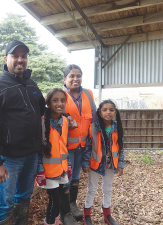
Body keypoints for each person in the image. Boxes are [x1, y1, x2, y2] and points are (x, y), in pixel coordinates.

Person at [0, 40, 45, 225]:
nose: (20, 60)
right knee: (5, 202)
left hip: (31, 155)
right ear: (6, 58)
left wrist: (65, 118)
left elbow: (42, 112)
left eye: (23, 56)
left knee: (24, 197)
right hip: (10, 158)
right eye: (15, 56)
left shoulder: (32, 85)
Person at [36, 88, 78, 225]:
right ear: (48, 103)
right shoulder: (41, 122)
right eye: (55, 100)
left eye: (62, 101)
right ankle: (50, 222)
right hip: (48, 172)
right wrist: (39, 170)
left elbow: (64, 146)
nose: (59, 104)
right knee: (54, 202)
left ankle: (54, 221)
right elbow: (37, 150)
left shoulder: (65, 121)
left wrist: (69, 164)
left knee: (59, 200)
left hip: (62, 169)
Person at [62, 64, 97, 221]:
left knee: (75, 177)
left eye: (78, 75)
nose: (75, 79)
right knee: (65, 178)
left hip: (82, 146)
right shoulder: (60, 95)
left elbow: (94, 120)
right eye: (71, 76)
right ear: (65, 79)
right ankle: (64, 212)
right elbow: (51, 117)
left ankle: (72, 204)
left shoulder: (88, 94)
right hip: (65, 147)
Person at [82, 99, 125, 225]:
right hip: (95, 164)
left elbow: (121, 147)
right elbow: (88, 147)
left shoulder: (117, 128)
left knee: (107, 188)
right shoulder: (93, 127)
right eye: (104, 110)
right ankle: (87, 215)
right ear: (99, 113)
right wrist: (85, 163)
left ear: (115, 112)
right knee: (92, 188)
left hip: (111, 165)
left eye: (111, 110)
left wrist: (120, 164)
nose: (108, 112)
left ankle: (107, 214)